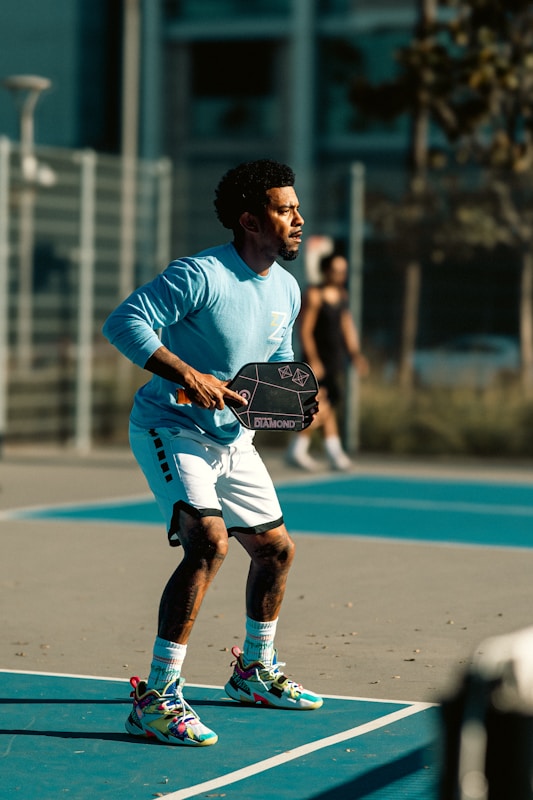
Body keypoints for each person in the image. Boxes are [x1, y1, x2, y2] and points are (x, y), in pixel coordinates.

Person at [102, 159, 323, 748]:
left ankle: (254, 672)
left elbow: (272, 365)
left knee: (275, 551)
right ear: (250, 221)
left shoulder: (287, 287)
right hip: (172, 428)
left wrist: (291, 400)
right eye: (285, 210)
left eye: (297, 208)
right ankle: (156, 699)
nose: (299, 219)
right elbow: (124, 322)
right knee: (209, 543)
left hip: (233, 438)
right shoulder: (200, 274)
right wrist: (187, 374)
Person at [286, 252, 368, 472]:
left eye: (343, 271)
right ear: (325, 271)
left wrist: (355, 354)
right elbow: (305, 331)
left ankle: (329, 453)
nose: (340, 274)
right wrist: (313, 360)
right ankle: (301, 450)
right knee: (319, 406)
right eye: (336, 270)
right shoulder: (314, 295)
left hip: (334, 362)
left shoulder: (342, 295)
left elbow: (347, 327)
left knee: (326, 406)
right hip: (317, 363)